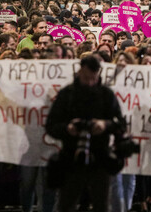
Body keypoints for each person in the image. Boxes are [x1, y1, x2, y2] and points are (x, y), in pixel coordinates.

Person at [45, 55, 126, 212]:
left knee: (101, 204)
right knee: (66, 204)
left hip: (100, 158)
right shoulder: (67, 95)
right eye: (86, 78)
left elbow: (121, 124)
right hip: (72, 157)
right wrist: (67, 129)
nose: (90, 82)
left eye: (93, 79)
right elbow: (51, 125)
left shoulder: (106, 95)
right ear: (80, 71)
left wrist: (105, 125)